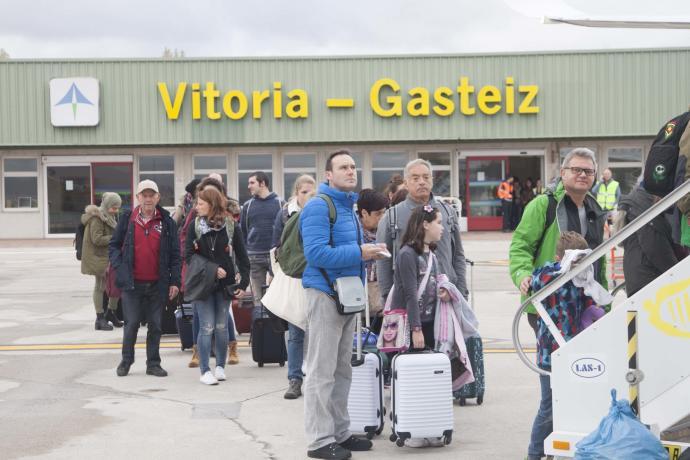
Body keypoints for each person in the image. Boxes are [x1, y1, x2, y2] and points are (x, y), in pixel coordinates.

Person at [300, 150, 386, 459]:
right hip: (324, 294)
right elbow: (316, 254)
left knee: (342, 369)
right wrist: (361, 253)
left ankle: (339, 431)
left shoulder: (348, 207)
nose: (351, 171)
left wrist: (368, 251)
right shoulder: (317, 208)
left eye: (352, 167)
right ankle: (320, 440)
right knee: (321, 371)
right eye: (343, 167)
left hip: (346, 296)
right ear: (328, 175)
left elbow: (348, 250)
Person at [526, 231, 612, 460]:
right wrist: (562, 269)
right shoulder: (548, 274)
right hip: (549, 355)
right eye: (576, 260)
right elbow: (536, 282)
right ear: (561, 257)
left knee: (570, 404)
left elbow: (591, 303)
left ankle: (553, 449)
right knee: (548, 406)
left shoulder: (580, 280)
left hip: (573, 352)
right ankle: (534, 453)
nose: (578, 266)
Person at [509, 148, 608, 338]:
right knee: (552, 363)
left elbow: (598, 259)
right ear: (563, 173)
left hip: (586, 303)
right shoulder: (543, 205)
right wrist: (522, 274)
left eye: (588, 171)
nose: (582, 175)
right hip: (549, 303)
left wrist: (604, 300)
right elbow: (521, 245)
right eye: (576, 169)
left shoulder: (594, 209)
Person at [386, 204, 447, 448]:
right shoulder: (407, 255)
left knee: (427, 377)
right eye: (439, 222)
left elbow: (436, 281)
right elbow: (410, 293)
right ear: (425, 224)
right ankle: (409, 427)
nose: (442, 227)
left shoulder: (430, 253)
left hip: (430, 322)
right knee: (411, 379)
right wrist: (416, 328)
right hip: (413, 324)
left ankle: (426, 424)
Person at [109, 180, 181, 378]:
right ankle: (126, 361)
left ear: (158, 197)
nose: (148, 199)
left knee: (156, 326)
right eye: (144, 195)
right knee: (131, 324)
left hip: (158, 284)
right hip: (132, 284)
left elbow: (176, 254)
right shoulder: (127, 219)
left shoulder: (167, 221)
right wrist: (119, 266)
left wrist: (175, 281)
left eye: (152, 195)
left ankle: (153, 364)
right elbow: (113, 246)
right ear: (138, 197)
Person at [377, 159, 468, 308]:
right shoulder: (391, 217)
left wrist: (462, 293)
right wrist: (388, 297)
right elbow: (383, 260)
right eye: (415, 178)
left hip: (446, 298)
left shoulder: (448, 213)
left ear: (432, 180)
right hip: (408, 302)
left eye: (426, 177)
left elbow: (458, 255)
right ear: (406, 183)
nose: (422, 182)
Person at [185, 187, 249, 385]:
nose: (196, 207)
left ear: (212, 205)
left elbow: (242, 256)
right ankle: (205, 370)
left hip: (225, 286)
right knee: (206, 327)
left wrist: (243, 282)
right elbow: (188, 255)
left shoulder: (231, 225)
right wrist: (213, 269)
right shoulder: (194, 226)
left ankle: (220, 366)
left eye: (201, 204)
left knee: (221, 327)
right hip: (202, 286)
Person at [271, 174, 316, 400]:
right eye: (304, 191)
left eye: (311, 191)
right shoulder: (286, 214)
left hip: (317, 279)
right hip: (294, 278)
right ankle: (294, 378)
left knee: (318, 332)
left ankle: (316, 379)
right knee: (296, 332)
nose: (308, 195)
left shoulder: (320, 213)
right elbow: (277, 245)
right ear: (296, 193)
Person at [617, 185, 679, 297]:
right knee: (639, 313)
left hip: (639, 277)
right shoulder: (644, 204)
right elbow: (655, 247)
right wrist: (679, 273)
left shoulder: (639, 199)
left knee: (635, 312)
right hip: (647, 280)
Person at [240, 171, 284, 318]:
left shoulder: (280, 204)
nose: (249, 186)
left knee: (276, 297)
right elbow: (244, 231)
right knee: (257, 299)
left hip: (275, 256)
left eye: (252, 182)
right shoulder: (247, 205)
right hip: (254, 256)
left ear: (262, 183)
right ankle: (261, 332)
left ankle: (274, 332)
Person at [81, 192, 122, 331]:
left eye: (117, 208)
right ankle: (99, 318)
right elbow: (97, 239)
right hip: (97, 257)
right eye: (113, 207)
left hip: (108, 256)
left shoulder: (109, 216)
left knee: (116, 284)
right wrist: (115, 237)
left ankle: (111, 312)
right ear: (107, 205)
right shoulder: (97, 218)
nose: (115, 210)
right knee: (100, 286)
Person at [355, 188, 390, 331]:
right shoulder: (352, 231)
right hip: (359, 295)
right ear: (364, 213)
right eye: (378, 214)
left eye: (384, 212)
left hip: (381, 297)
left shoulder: (387, 230)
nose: (382, 217)